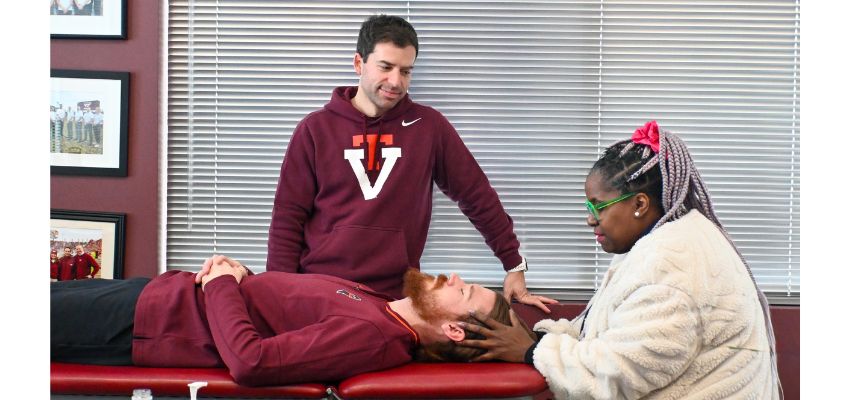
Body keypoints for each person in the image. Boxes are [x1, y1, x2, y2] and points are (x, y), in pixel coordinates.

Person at [459, 121, 781, 399]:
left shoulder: (673, 266)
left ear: (639, 204)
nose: (590, 219)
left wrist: (531, 352)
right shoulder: (662, 243)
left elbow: (620, 372)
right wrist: (538, 340)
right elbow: (603, 333)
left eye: (598, 206)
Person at [259, 14, 555, 312]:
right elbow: (288, 218)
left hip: (393, 300)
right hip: (320, 290)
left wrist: (513, 264)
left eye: (406, 71)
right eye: (385, 68)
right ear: (359, 63)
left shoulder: (429, 127)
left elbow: (476, 195)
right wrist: (277, 293)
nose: (396, 81)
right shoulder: (315, 129)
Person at [51, 255, 523, 386]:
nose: (456, 277)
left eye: (464, 292)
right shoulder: (380, 306)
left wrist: (221, 284)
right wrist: (239, 276)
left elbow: (251, 361)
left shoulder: (373, 337)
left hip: (149, 322)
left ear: (454, 330)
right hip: (157, 294)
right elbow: (277, 307)